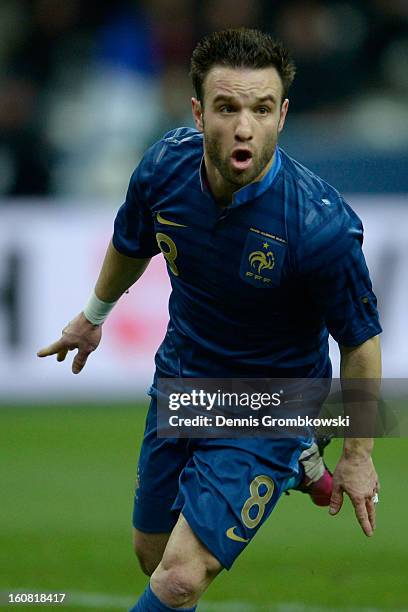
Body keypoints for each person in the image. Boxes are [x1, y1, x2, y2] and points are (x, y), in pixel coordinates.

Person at [38, 28, 382, 612]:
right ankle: (303, 460)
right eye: (227, 108)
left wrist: (359, 454)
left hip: (272, 403)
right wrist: (92, 317)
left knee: (178, 579)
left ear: (283, 115)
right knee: (152, 555)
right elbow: (131, 242)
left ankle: (296, 445)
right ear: (199, 112)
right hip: (184, 381)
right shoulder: (164, 169)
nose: (244, 127)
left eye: (261, 109)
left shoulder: (320, 226)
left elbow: (361, 342)